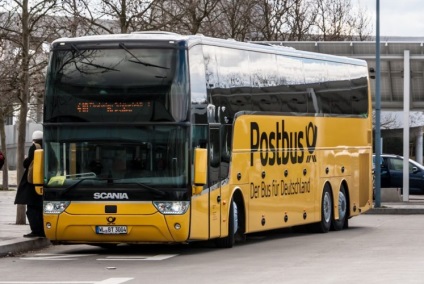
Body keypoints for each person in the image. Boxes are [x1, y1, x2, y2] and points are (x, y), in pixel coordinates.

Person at [14, 130, 45, 238]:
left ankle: (36, 230)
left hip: (33, 182)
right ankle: (42, 230)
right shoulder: (47, 146)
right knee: (40, 208)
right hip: (44, 181)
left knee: (32, 208)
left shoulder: (35, 147)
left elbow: (26, 163)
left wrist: (26, 159)